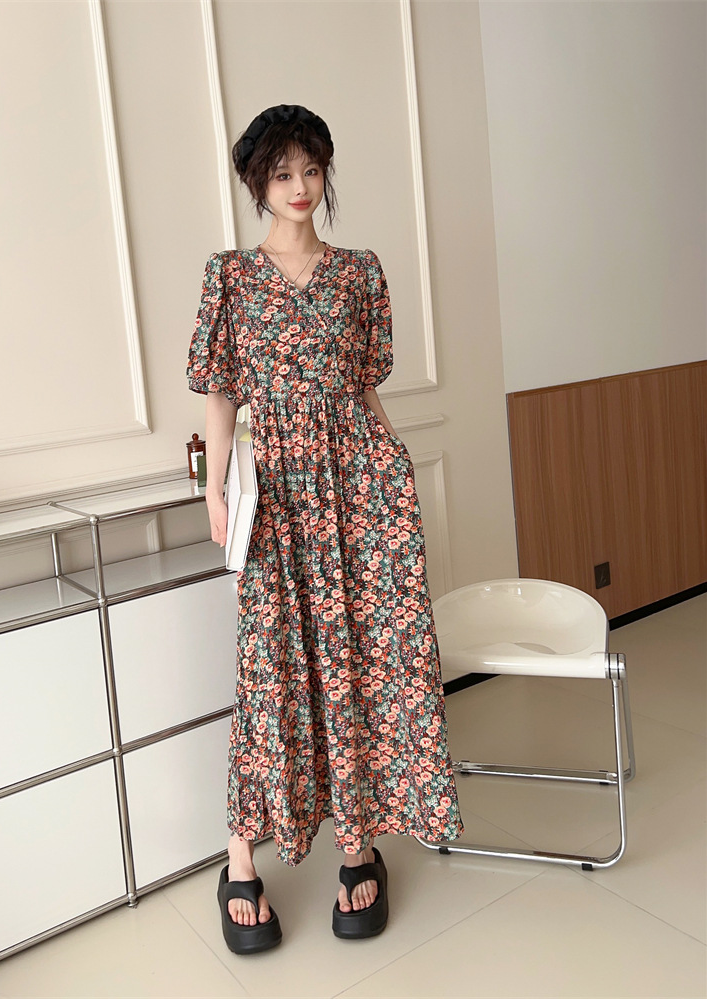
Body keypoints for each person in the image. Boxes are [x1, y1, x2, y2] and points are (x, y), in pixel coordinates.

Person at [186, 104, 462, 954]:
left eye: (311, 170)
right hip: (276, 493)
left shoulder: (359, 273)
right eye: (282, 174)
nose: (299, 187)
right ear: (257, 183)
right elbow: (221, 394)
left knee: (359, 664)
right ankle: (240, 858)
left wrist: (394, 466)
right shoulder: (230, 277)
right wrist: (214, 492)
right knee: (271, 668)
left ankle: (358, 845)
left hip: (357, 486)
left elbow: (365, 388)